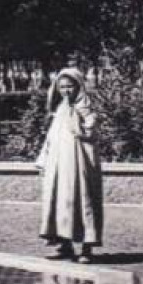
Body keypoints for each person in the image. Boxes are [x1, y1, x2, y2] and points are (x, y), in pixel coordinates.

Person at [36, 67, 104, 262]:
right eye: (62, 86)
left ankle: (86, 248)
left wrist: (83, 126)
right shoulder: (61, 108)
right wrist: (44, 160)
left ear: (78, 86)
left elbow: (91, 133)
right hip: (59, 163)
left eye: (69, 86)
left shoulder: (85, 106)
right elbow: (51, 136)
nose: (66, 90)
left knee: (83, 200)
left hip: (79, 162)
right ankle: (64, 245)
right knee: (60, 201)